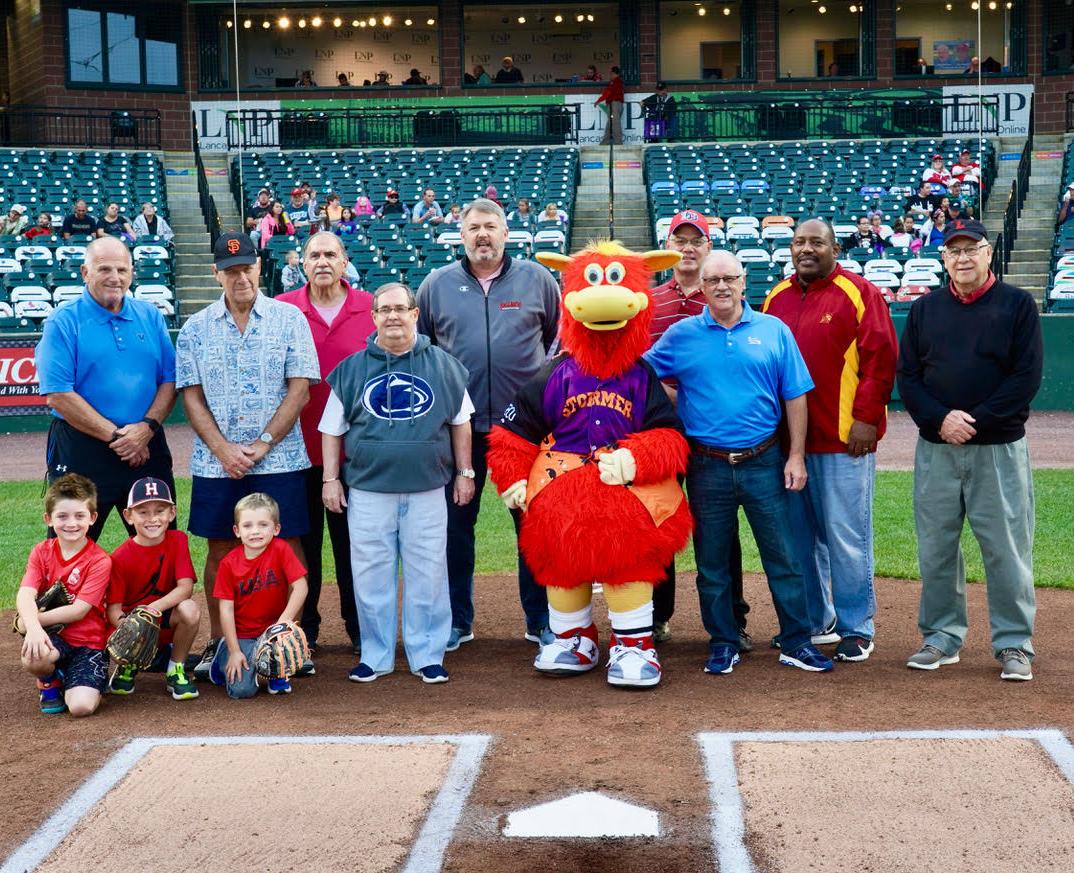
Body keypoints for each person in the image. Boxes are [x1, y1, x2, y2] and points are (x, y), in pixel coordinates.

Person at [644, 251, 834, 675]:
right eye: (713, 281)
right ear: (704, 287)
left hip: (763, 460)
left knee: (783, 557)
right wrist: (674, 401)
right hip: (706, 464)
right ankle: (724, 641)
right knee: (712, 563)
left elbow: (795, 395)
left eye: (730, 278)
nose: (722, 286)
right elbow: (642, 374)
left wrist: (797, 455)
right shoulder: (682, 334)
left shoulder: (773, 330)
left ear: (744, 281)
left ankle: (797, 640)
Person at [897, 219, 1042, 681]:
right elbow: (910, 378)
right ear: (943, 259)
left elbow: (1025, 379)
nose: (962, 258)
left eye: (971, 249)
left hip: (997, 449)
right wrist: (941, 419)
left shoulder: (1018, 305)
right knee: (936, 548)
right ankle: (941, 636)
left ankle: (1014, 643)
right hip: (937, 449)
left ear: (987, 253)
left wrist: (971, 420)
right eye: (953, 251)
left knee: (1005, 549)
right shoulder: (924, 310)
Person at [175, 231, 319, 680]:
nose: (241, 277)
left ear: (260, 268)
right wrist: (222, 449)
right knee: (220, 546)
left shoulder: (288, 317)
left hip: (280, 456)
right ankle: (221, 643)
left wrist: (263, 442)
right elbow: (191, 395)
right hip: (216, 461)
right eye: (231, 269)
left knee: (287, 545)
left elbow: (301, 387)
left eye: (247, 267)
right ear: (217, 273)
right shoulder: (195, 328)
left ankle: (289, 640)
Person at [416, 198, 559, 649]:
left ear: (506, 233)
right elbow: (423, 348)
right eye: (474, 227)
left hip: (524, 431)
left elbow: (555, 340)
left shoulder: (537, 279)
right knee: (456, 528)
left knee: (533, 526)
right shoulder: (437, 285)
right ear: (461, 234)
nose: (483, 235)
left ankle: (539, 619)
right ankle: (458, 620)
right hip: (460, 431)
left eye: (491, 227)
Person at [321, 282, 475, 684]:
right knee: (370, 573)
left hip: (427, 488)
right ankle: (376, 654)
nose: (392, 316)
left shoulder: (443, 364)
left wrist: (465, 472)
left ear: (414, 314)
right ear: (372, 317)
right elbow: (331, 430)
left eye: (399, 308)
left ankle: (427, 653)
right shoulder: (352, 369)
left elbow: (461, 423)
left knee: (428, 571)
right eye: (383, 309)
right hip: (369, 490)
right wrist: (331, 479)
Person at [763, 219, 898, 662]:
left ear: (834, 248)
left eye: (816, 242)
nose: (807, 249)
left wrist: (866, 418)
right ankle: (815, 620)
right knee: (800, 539)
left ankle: (856, 626)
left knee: (846, 535)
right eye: (799, 241)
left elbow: (881, 360)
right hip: (791, 445)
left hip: (844, 440)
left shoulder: (859, 292)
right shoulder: (775, 297)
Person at [649, 212, 749, 647]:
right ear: (668, 246)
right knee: (657, 522)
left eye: (697, 240)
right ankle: (654, 616)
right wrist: (665, 395)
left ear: (709, 248)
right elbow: (635, 366)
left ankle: (732, 619)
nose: (688, 248)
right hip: (660, 433)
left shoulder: (724, 298)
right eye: (680, 240)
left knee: (721, 529)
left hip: (713, 437)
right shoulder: (649, 302)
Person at [35, 236, 177, 542]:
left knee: (159, 546)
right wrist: (118, 438)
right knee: (70, 545)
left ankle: (160, 594)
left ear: (131, 274)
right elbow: (58, 393)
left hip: (146, 445)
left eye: (122, 270)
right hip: (82, 447)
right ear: (86, 273)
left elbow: (170, 380)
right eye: (104, 269)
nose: (115, 277)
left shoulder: (150, 316)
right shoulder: (63, 321)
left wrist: (146, 429)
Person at [277, 231, 375, 655]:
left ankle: (361, 630)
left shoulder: (372, 308)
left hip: (359, 455)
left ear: (344, 260)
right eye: (314, 254)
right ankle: (306, 631)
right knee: (304, 548)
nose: (322, 261)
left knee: (356, 549)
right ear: (302, 262)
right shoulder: (282, 310)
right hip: (296, 452)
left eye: (330, 254)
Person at [17, 473, 112, 717]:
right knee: (34, 656)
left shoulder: (99, 560)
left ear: (92, 518)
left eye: (80, 516)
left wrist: (29, 622)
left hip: (87, 643)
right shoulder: (41, 551)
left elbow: (78, 610)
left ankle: (78, 677)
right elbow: (25, 594)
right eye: (62, 516)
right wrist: (35, 629)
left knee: (81, 708)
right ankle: (49, 680)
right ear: (48, 519)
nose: (71, 523)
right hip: (55, 637)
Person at [106, 477, 201, 700]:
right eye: (143, 512)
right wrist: (131, 628)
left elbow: (185, 588)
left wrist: (150, 611)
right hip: (132, 624)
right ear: (128, 516)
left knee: (190, 609)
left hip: (163, 617)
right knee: (124, 632)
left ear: (172, 513)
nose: (152, 519)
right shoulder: (119, 557)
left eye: (160, 510)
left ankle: (175, 669)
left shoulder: (178, 540)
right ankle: (127, 666)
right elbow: (113, 609)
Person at [209, 493, 310, 698]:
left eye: (263, 525)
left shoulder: (281, 550)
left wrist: (282, 625)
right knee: (242, 691)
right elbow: (226, 609)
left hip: (272, 632)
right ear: (237, 531)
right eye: (247, 526)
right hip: (243, 635)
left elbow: (301, 587)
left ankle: (275, 671)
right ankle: (223, 654)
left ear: (276, 529)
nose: (255, 531)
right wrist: (235, 650)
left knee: (282, 650)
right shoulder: (229, 564)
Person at [596, 66, 625, 146]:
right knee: (610, 124)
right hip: (616, 104)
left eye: (610, 73)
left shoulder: (615, 82)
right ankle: (604, 143)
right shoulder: (618, 82)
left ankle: (618, 144)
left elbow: (608, 93)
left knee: (615, 124)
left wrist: (599, 100)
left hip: (614, 104)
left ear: (613, 73)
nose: (610, 75)